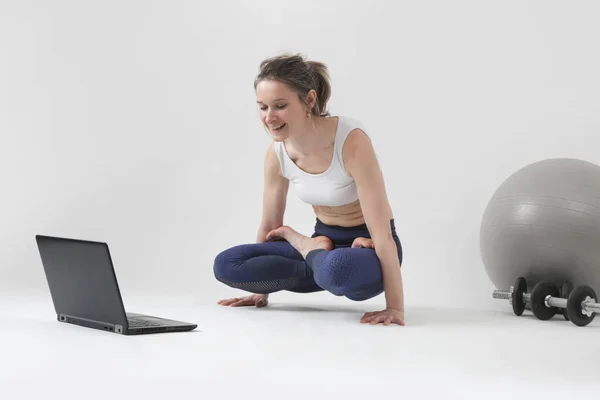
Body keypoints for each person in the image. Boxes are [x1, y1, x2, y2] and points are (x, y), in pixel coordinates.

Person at [213, 53, 405, 326]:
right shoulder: (277, 153)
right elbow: (269, 224)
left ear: (310, 100)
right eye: (262, 107)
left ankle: (307, 247)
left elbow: (383, 233)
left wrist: (395, 308)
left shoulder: (351, 141)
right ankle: (313, 251)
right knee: (227, 265)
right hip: (321, 250)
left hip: (366, 251)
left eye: (279, 105)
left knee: (337, 271)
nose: (269, 117)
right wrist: (259, 290)